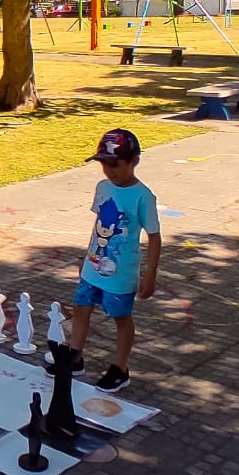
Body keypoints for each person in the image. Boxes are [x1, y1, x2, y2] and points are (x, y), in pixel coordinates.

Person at [65, 128, 160, 392]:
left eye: (115, 164)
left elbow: (154, 237)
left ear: (134, 161)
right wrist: (87, 257)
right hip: (93, 265)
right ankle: (74, 358)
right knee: (81, 308)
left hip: (120, 273)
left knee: (120, 317)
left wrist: (150, 273)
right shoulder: (103, 187)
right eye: (104, 164)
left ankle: (120, 368)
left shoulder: (143, 196)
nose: (109, 171)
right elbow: (99, 226)